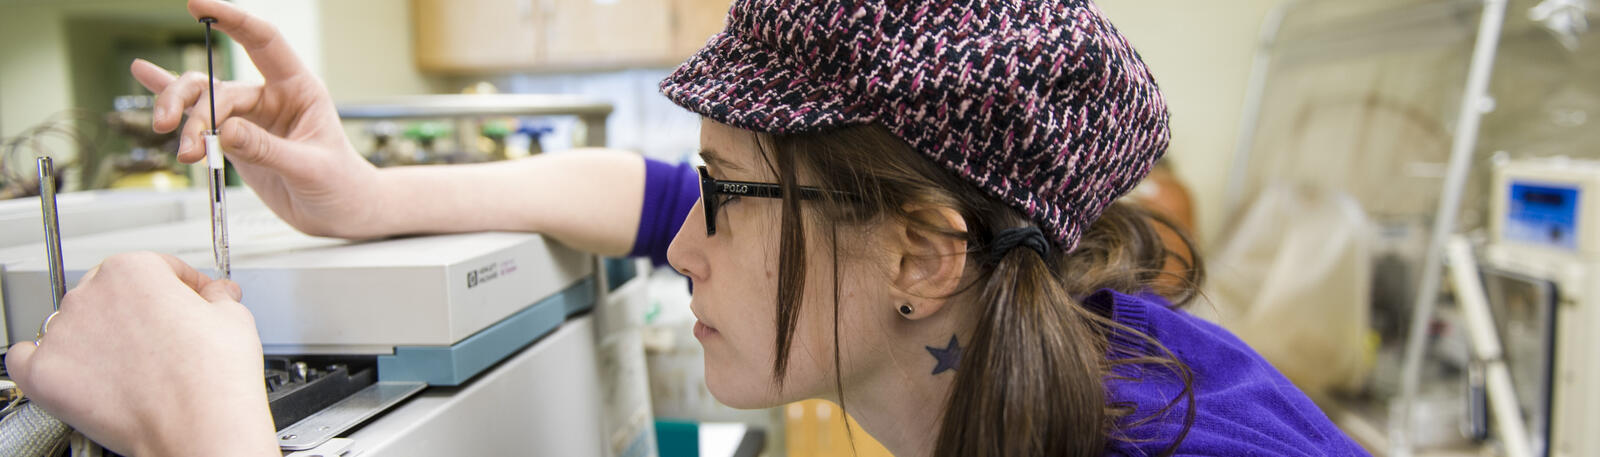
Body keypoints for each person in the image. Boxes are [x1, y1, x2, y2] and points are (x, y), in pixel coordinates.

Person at [6, 0, 1370, 455]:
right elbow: (639, 196)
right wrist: (364, 197)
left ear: (920, 254)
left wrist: (211, 429)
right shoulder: (1051, 334)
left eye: (729, 191)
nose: (685, 242)